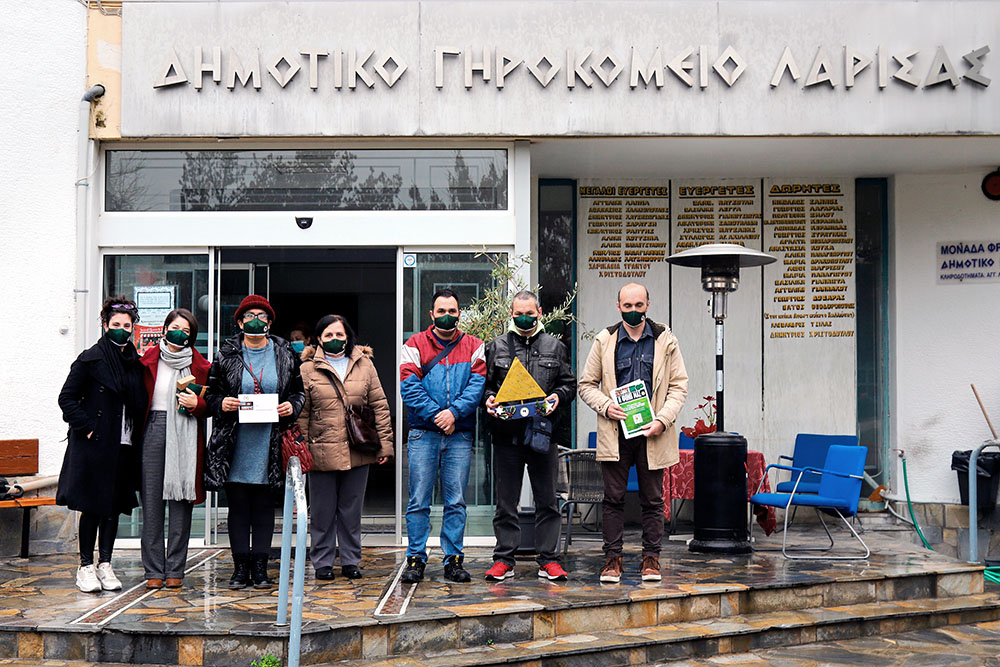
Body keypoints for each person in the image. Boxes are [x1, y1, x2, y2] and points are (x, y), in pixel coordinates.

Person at [578, 282, 688, 584]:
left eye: (639, 305)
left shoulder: (666, 340)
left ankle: (651, 560)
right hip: (616, 432)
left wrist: (663, 420)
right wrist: (605, 406)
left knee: (652, 500)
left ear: (648, 305)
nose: (634, 311)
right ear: (618, 307)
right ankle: (612, 561)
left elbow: (679, 386)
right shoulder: (604, 340)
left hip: (653, 433)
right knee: (612, 499)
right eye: (628, 306)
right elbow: (586, 384)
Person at [204, 295, 305, 590]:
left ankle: (260, 568)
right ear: (239, 322)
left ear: (270, 322)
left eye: (261, 315)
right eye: (249, 316)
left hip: (270, 441)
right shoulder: (226, 355)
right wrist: (221, 403)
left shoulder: (285, 353)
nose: (255, 320)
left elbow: (298, 392)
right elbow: (210, 395)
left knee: (263, 508)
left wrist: (292, 407)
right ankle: (239, 568)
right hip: (235, 442)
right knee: (238, 508)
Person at [483, 290, 576, 581]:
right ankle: (504, 560)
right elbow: (484, 387)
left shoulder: (556, 346)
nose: (525, 317)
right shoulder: (496, 347)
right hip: (506, 435)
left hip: (542, 435)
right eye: (519, 313)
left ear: (540, 312)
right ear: (511, 314)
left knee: (547, 500)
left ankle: (549, 560)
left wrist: (557, 397)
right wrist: (489, 399)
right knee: (505, 502)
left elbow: (569, 384)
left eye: (530, 313)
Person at [57, 297, 147, 593]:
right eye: (116, 325)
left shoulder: (134, 362)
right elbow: (66, 398)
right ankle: (85, 566)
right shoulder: (90, 358)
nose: (122, 330)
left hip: (124, 444)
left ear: (134, 328)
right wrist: (89, 428)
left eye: (127, 325)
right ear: (105, 325)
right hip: (95, 444)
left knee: (113, 507)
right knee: (92, 507)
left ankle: (105, 563)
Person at [398, 288, 486, 584]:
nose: (447, 316)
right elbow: (408, 387)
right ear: (431, 314)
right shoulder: (413, 345)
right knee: (418, 500)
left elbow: (477, 387)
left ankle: (453, 560)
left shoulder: (474, 345)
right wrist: (440, 415)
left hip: (458, 434)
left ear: (459, 313)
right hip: (424, 433)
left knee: (456, 501)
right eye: (441, 311)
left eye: (452, 311)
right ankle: (415, 559)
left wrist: (454, 414)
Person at [297, 315, 394, 581]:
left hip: (357, 448)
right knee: (322, 512)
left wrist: (385, 446)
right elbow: (302, 414)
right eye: (328, 335)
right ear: (318, 339)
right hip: (321, 450)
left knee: (351, 511)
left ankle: (351, 560)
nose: (334, 339)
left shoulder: (365, 365)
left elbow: (379, 406)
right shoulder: (307, 369)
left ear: (348, 336)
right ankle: (323, 562)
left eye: (339, 334)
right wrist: (301, 451)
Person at [139, 308, 210, 590]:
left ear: (192, 336)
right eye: (175, 327)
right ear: (165, 328)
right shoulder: (145, 360)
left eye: (187, 330)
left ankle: (175, 569)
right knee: (152, 502)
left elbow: (210, 403)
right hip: (153, 428)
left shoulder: (201, 365)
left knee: (181, 501)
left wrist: (199, 405)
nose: (180, 333)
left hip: (186, 431)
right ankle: (153, 569)